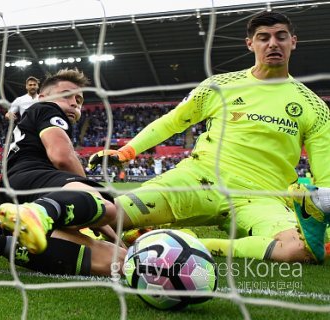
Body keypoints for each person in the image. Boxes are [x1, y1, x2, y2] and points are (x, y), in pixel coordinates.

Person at [90, 11, 330, 264]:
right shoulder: (219, 86)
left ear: (293, 41)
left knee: (301, 250)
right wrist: (127, 151)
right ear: (250, 44)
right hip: (199, 180)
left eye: (281, 37)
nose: (273, 44)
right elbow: (172, 122)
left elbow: (325, 175)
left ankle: (186, 243)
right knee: (110, 213)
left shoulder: (314, 107)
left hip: (263, 198)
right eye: (263, 38)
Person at [0, 68, 126, 276]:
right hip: (34, 179)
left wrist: (101, 224)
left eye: (79, 99)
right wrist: (89, 198)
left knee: (117, 262)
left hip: (9, 199)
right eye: (67, 95)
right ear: (42, 97)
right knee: (108, 207)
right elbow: (62, 157)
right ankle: (38, 213)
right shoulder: (48, 109)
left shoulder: (33, 119)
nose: (75, 102)